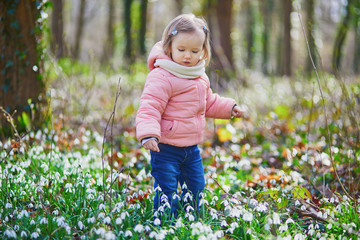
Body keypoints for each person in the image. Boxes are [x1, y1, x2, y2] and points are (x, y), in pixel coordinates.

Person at [136, 13, 244, 217]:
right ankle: (165, 223)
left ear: (203, 50)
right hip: (165, 147)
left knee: (196, 186)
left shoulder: (198, 76)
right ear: (169, 47)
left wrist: (229, 108)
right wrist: (148, 134)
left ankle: (192, 221)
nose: (188, 56)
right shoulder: (162, 76)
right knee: (167, 187)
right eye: (181, 49)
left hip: (191, 149)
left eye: (195, 51)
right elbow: (150, 107)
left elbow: (208, 102)